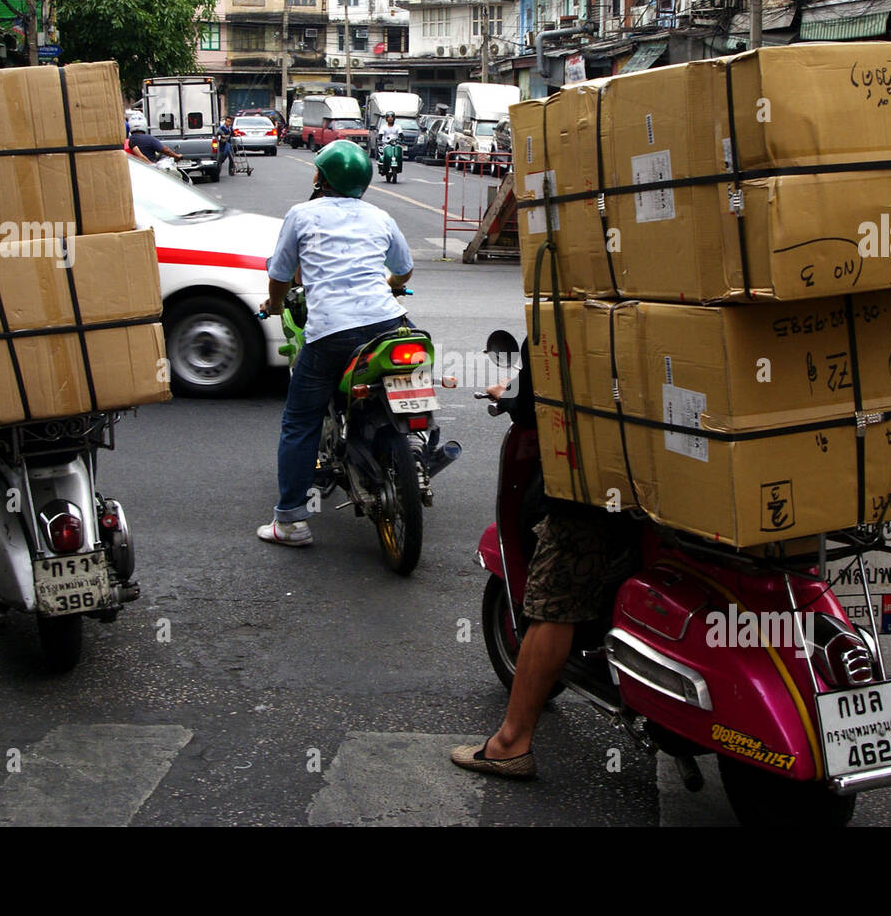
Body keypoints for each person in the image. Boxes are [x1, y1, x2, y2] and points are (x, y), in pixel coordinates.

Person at [449, 342, 641, 780]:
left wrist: (513, 392)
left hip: (595, 480)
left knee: (555, 597)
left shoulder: (570, 313)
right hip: (667, 482)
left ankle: (510, 743)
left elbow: (537, 396)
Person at [257, 140, 414, 547]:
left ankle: (291, 521)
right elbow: (403, 269)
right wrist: (391, 286)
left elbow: (280, 273)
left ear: (320, 178)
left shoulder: (301, 214)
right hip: (390, 324)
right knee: (410, 373)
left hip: (332, 333)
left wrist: (273, 305)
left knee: (299, 420)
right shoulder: (380, 216)